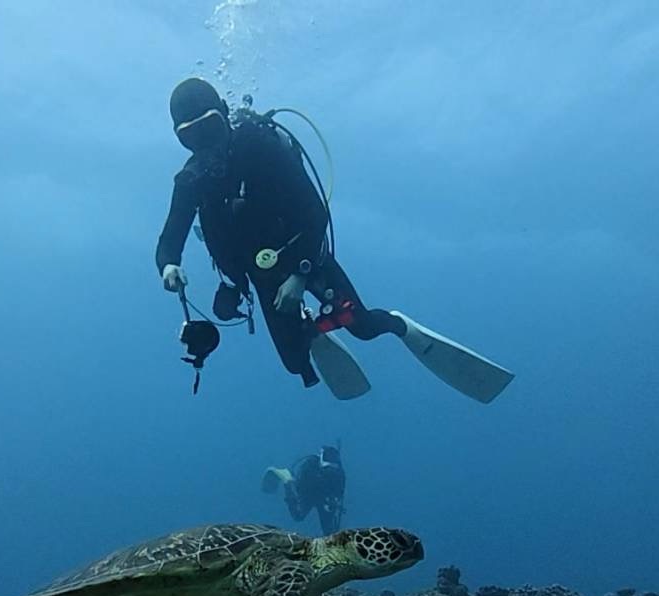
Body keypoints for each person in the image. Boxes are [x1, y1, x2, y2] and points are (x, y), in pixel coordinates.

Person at [156, 77, 515, 404]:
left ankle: (399, 325)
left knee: (364, 329)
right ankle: (308, 323)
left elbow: (315, 213)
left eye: (209, 128)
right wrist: (169, 266)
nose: (205, 143)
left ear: (224, 115)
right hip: (262, 275)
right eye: (191, 136)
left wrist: (300, 274)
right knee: (295, 364)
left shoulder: (261, 148)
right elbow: (170, 238)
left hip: (306, 254)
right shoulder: (191, 180)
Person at [262, 444, 347, 534]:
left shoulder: (339, 474)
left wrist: (333, 501)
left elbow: (340, 491)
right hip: (309, 492)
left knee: (330, 531)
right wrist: (292, 489)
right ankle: (287, 479)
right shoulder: (310, 468)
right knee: (297, 516)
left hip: (325, 497)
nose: (330, 472)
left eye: (332, 470)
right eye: (327, 469)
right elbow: (300, 487)